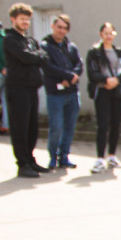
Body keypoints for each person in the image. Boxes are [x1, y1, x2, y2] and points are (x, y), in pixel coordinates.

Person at [2, 3, 51, 178]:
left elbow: (44, 57)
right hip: (17, 88)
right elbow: (25, 57)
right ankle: (22, 163)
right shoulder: (10, 39)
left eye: (27, 20)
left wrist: (36, 57)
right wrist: (36, 57)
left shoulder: (29, 40)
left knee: (32, 126)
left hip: (31, 87)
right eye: (22, 19)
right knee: (20, 126)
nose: (25, 22)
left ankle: (30, 159)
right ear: (13, 19)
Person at [86, 22, 121, 173]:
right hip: (102, 90)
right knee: (102, 124)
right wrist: (106, 80)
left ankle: (112, 156)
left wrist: (117, 80)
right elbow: (92, 73)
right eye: (106, 33)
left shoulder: (119, 52)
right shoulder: (94, 52)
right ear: (101, 35)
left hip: (117, 91)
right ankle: (100, 158)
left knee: (116, 124)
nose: (109, 36)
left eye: (111, 33)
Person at [41, 15, 82, 169]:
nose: (62, 31)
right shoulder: (45, 46)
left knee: (70, 127)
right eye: (59, 27)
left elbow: (79, 64)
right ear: (52, 27)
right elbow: (48, 67)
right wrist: (67, 76)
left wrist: (74, 76)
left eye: (65, 28)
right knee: (56, 127)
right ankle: (53, 157)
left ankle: (64, 156)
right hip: (55, 94)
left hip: (72, 93)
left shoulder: (71, 47)